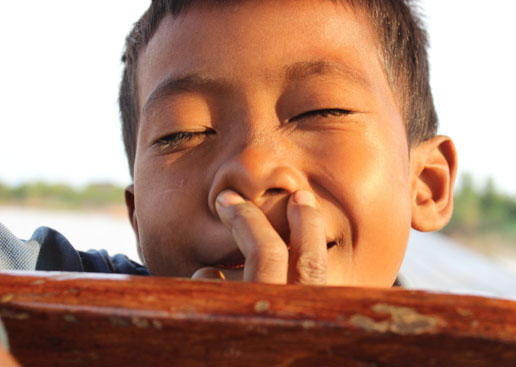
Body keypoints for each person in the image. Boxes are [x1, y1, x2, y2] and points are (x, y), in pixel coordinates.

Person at [1, 0, 457, 287]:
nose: (251, 169)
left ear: (426, 185)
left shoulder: (486, 350)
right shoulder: (70, 296)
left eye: (321, 112)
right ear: (137, 216)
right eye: (183, 133)